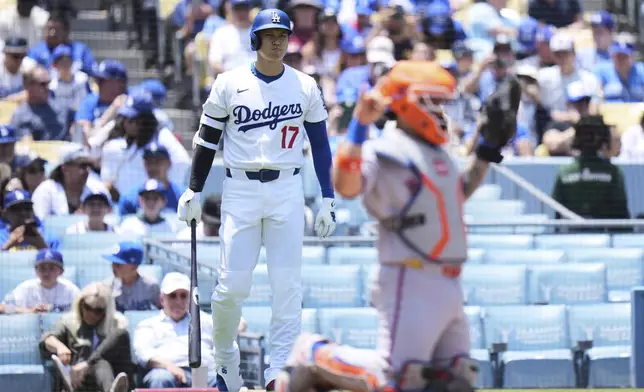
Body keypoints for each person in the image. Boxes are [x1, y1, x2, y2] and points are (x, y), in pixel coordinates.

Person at [277, 61, 520, 392]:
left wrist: (487, 150)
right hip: (410, 274)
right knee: (399, 377)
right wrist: (360, 126)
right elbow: (346, 186)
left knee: (458, 379)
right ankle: (314, 353)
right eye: (436, 102)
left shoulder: (439, 152)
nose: (443, 111)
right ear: (410, 103)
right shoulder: (385, 149)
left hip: (449, 278)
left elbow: (458, 193)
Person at [177, 9, 337, 391]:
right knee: (231, 287)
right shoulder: (229, 82)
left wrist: (327, 198)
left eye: (283, 34)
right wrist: (194, 187)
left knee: (287, 287)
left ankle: (277, 374)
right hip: (241, 188)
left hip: (287, 187)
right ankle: (227, 363)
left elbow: (320, 145)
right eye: (269, 35)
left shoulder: (304, 85)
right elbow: (206, 140)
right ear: (255, 40)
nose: (278, 40)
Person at [40, 282, 132, 392]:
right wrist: (59, 347)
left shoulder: (117, 324)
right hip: (78, 378)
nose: (91, 314)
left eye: (98, 310)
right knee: (97, 364)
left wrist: (88, 364)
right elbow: (48, 339)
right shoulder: (69, 322)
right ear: (80, 304)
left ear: (106, 311)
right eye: (87, 307)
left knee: (102, 363)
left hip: (107, 376)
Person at [133, 272, 219, 388]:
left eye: (183, 296)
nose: (178, 301)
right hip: (166, 373)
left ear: (190, 299)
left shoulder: (204, 320)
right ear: (162, 299)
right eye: (172, 295)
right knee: (160, 379)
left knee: (222, 380)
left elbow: (235, 325)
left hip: (202, 374)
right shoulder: (148, 326)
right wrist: (169, 367)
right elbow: (143, 354)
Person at [552, 115, 630, 223]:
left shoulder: (565, 172)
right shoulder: (613, 172)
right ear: (604, 138)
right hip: (606, 235)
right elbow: (622, 212)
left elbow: (557, 212)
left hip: (571, 236)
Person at [31, 143, 108, 220]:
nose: (86, 170)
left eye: (88, 166)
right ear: (65, 169)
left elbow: (110, 223)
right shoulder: (46, 191)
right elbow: (39, 225)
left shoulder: (98, 189)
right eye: (82, 166)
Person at [2, 248, 80, 313]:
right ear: (36, 271)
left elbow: (82, 311)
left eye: (52, 268)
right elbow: (2, 308)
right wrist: (29, 311)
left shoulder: (70, 289)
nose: (46, 273)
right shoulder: (26, 287)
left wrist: (54, 309)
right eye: (42, 268)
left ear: (61, 271)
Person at [103, 241, 161, 312]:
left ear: (134, 266)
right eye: (113, 263)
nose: (114, 267)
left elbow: (161, 312)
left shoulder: (151, 287)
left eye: (118, 264)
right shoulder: (107, 287)